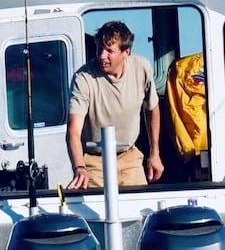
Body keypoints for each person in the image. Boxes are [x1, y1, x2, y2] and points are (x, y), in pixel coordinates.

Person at [66, 21, 164, 189]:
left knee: (140, 203)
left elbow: (152, 108)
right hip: (94, 162)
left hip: (130, 157)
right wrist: (79, 167)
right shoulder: (83, 78)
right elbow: (73, 131)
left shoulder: (142, 67)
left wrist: (154, 153)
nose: (102, 56)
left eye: (109, 51)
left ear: (126, 52)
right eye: (99, 49)